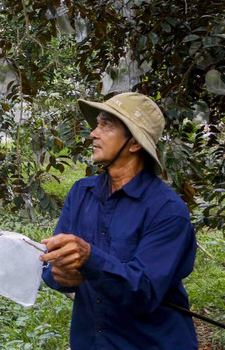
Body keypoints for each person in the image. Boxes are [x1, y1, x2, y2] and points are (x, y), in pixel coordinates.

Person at [40, 92, 197, 349]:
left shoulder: (168, 210)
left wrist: (90, 259)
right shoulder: (82, 193)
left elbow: (144, 292)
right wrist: (61, 274)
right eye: (97, 124)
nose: (93, 133)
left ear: (134, 143)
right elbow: (53, 265)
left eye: (107, 125)